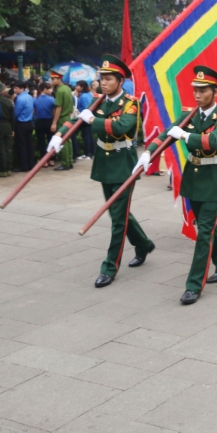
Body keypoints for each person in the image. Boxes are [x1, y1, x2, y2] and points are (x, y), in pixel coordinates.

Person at [51, 55, 155, 288]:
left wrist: (92, 121)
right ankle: (144, 244)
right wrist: (59, 135)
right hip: (104, 163)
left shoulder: (131, 103)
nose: (104, 83)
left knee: (118, 218)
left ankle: (109, 266)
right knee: (119, 213)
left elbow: (119, 127)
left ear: (120, 81)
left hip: (123, 164)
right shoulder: (99, 101)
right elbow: (77, 119)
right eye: (102, 79)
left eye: (109, 79)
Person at [138, 65, 217, 305]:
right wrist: (149, 153)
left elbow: (213, 142)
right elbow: (165, 134)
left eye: (203, 91)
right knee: (206, 226)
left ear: (215, 91)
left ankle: (194, 285)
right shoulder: (188, 115)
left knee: (203, 231)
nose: (197, 95)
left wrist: (184, 136)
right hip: (193, 177)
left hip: (213, 178)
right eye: (195, 90)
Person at [49, 70, 75, 171]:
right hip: (68, 117)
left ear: (59, 79)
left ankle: (65, 163)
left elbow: (58, 108)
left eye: (53, 79)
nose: (51, 81)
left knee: (62, 140)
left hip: (62, 117)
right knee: (68, 140)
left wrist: (54, 122)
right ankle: (69, 161)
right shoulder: (67, 88)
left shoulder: (60, 91)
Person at [0, 81, 15, 177]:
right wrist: (13, 129)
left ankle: (2, 169)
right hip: (8, 125)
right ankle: (9, 168)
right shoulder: (8, 101)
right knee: (8, 148)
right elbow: (12, 117)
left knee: (0, 148)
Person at [12, 81, 35, 172]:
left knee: (21, 146)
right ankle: (31, 164)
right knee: (29, 145)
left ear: (22, 89)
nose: (14, 90)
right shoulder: (29, 97)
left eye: (16, 88)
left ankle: (23, 166)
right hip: (29, 122)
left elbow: (16, 113)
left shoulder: (20, 99)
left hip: (21, 123)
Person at [33, 83, 56, 163]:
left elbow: (34, 112)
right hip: (49, 121)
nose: (51, 90)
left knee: (41, 142)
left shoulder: (35, 100)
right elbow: (54, 112)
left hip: (39, 122)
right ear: (45, 89)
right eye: (49, 88)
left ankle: (44, 161)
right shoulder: (52, 99)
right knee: (51, 140)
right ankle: (52, 159)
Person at [75, 80, 95, 161]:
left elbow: (84, 108)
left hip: (84, 118)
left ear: (82, 87)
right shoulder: (89, 94)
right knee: (90, 135)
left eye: (78, 86)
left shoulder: (83, 96)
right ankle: (92, 152)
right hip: (91, 117)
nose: (76, 87)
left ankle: (87, 153)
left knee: (86, 136)